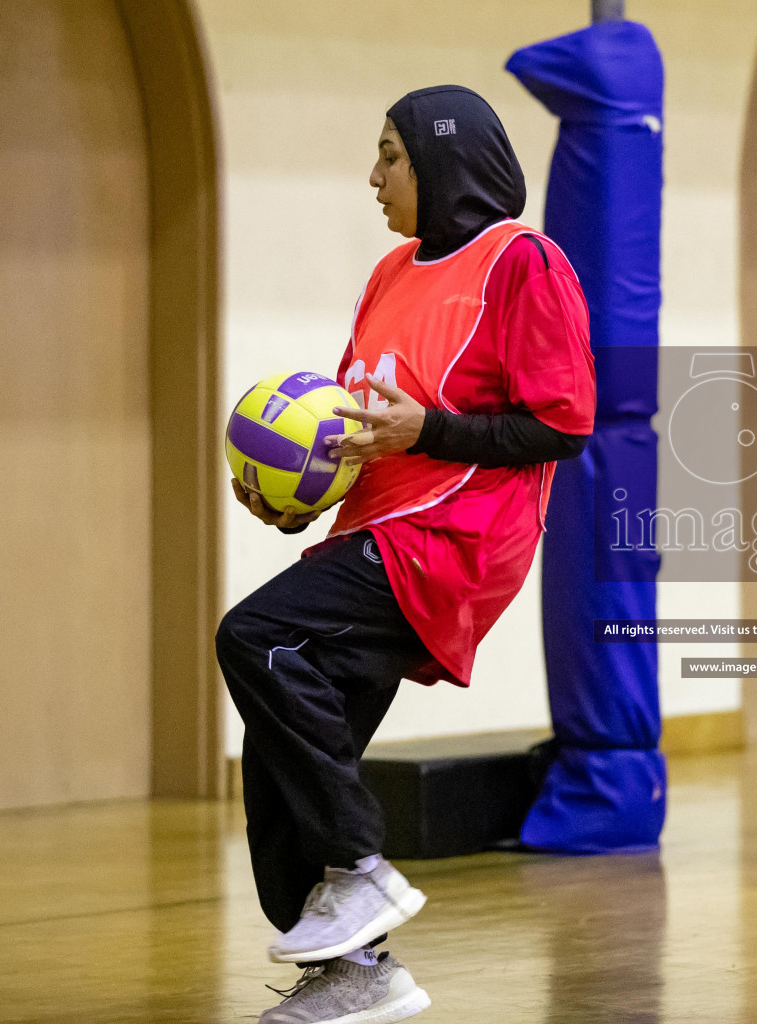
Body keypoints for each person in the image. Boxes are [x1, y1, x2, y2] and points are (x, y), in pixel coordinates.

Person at [217, 85, 595, 1024]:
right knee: (283, 760)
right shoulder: (388, 276)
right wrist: (297, 495)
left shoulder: (523, 262)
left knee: (255, 638)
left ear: (441, 159)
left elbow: (562, 424)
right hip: (375, 530)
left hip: (454, 538)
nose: (374, 176)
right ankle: (358, 975)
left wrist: (429, 428)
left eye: (389, 155)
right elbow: (362, 427)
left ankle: (362, 867)